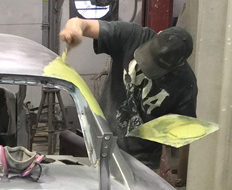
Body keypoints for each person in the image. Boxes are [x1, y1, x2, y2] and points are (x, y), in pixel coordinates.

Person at [59, 18, 197, 169]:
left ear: (179, 63)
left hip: (143, 162)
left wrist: (174, 162)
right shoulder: (133, 36)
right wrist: (74, 28)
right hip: (101, 144)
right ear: (159, 33)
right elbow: (83, 24)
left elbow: (180, 135)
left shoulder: (185, 84)